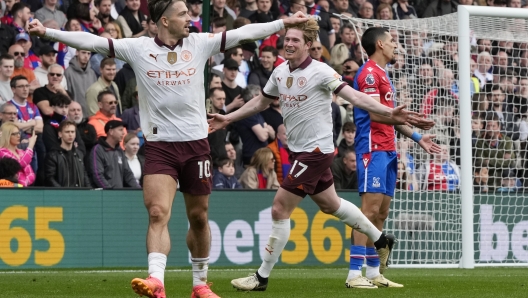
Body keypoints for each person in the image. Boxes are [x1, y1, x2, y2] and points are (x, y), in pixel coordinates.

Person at [29, 8, 314, 298]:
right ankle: (156, 280)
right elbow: (90, 41)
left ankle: (200, 284)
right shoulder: (138, 48)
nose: (188, 17)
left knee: (199, 218)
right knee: (157, 213)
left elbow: (243, 33)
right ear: (164, 20)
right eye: (182, 13)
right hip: (160, 147)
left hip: (196, 146)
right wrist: (47, 32)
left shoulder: (199, 43)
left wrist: (283, 23)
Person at [208, 18, 431, 292]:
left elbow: (355, 96)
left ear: (309, 44)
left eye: (295, 40)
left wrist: (388, 113)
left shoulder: (321, 71)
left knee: (279, 208)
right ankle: (380, 239)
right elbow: (262, 101)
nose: (289, 44)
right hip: (302, 152)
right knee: (331, 205)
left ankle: (261, 277)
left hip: (316, 152)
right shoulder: (280, 72)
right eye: (287, 39)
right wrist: (227, 118)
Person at [348, 27, 440, 288]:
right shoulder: (367, 74)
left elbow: (391, 117)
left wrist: (416, 137)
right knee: (367, 212)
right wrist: (405, 117)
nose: (396, 46)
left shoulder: (382, 74)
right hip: (372, 148)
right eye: (392, 42)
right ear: (379, 44)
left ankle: (374, 272)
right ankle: (354, 274)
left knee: (381, 214)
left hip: (388, 149)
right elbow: (375, 114)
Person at [88, 120, 140, 189]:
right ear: (111, 131)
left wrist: (139, 190)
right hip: (104, 196)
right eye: (120, 130)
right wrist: (110, 193)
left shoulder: (119, 151)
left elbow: (128, 174)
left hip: (118, 195)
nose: (123, 133)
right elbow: (97, 175)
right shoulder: (98, 150)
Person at [44, 120, 91, 187]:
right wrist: (63, 193)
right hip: (61, 196)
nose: (70, 134)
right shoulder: (52, 155)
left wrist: (91, 193)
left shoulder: (79, 154)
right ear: (60, 134)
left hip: (79, 195)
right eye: (67, 132)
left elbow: (84, 176)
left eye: (72, 132)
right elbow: (50, 178)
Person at [0, 122, 37, 186]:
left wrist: (26, 182)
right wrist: (30, 146)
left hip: (26, 186)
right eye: (15, 134)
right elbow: (18, 165)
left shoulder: (21, 152)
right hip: (12, 188)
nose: (18, 136)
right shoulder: (2, 152)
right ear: (7, 136)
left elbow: (30, 172)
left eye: (18, 133)